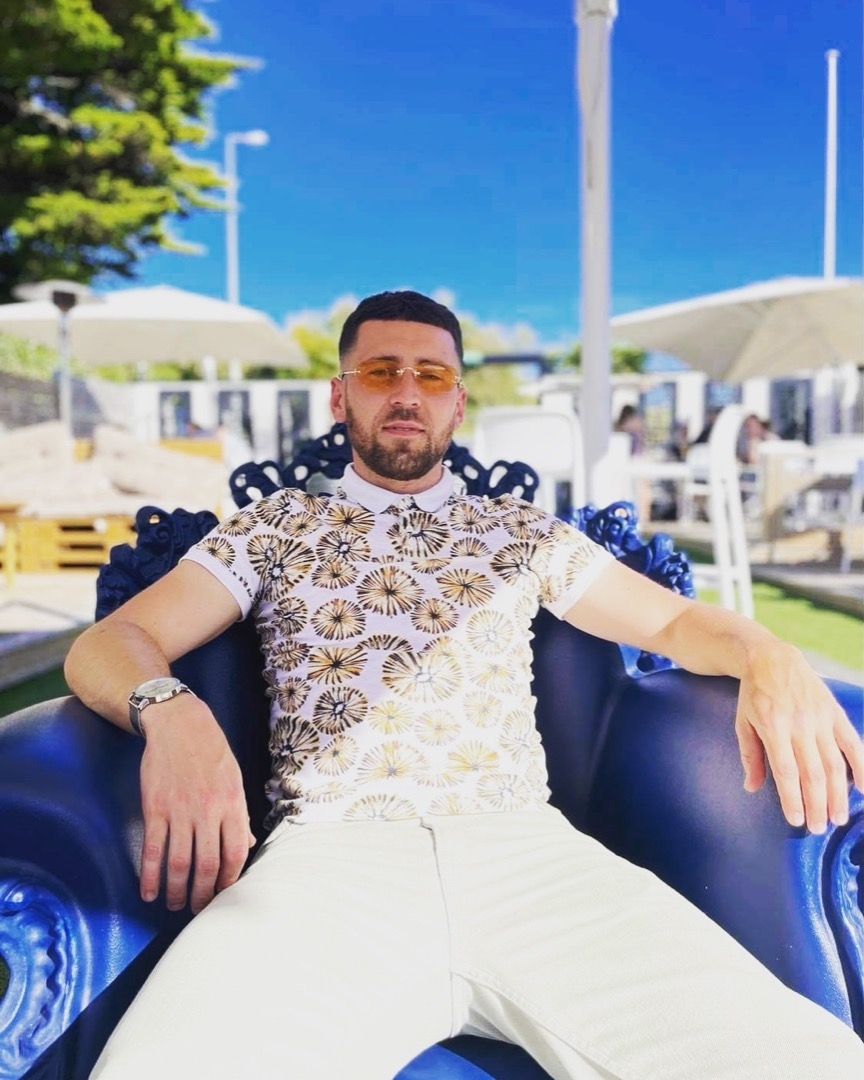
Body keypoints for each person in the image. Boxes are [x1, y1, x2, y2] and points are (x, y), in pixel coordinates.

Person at [65, 291, 864, 1080]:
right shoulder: (276, 527)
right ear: (340, 397)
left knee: (799, 1062)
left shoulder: (518, 531)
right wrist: (171, 713)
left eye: (432, 375)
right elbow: (111, 643)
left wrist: (769, 655)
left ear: (458, 401)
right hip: (327, 863)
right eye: (381, 372)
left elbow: (675, 624)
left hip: (529, 858)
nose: (407, 393)